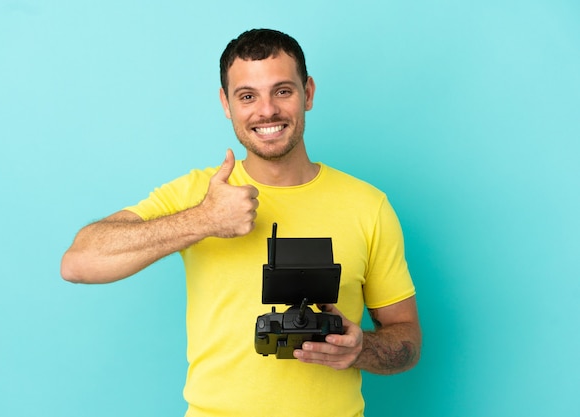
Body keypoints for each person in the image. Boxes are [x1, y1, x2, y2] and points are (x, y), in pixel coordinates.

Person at [61, 28, 421, 417]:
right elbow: (78, 262)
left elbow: (407, 341)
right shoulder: (198, 194)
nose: (266, 110)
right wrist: (203, 220)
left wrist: (359, 349)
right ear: (226, 104)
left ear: (308, 93)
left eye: (282, 91)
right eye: (247, 96)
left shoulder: (367, 205)